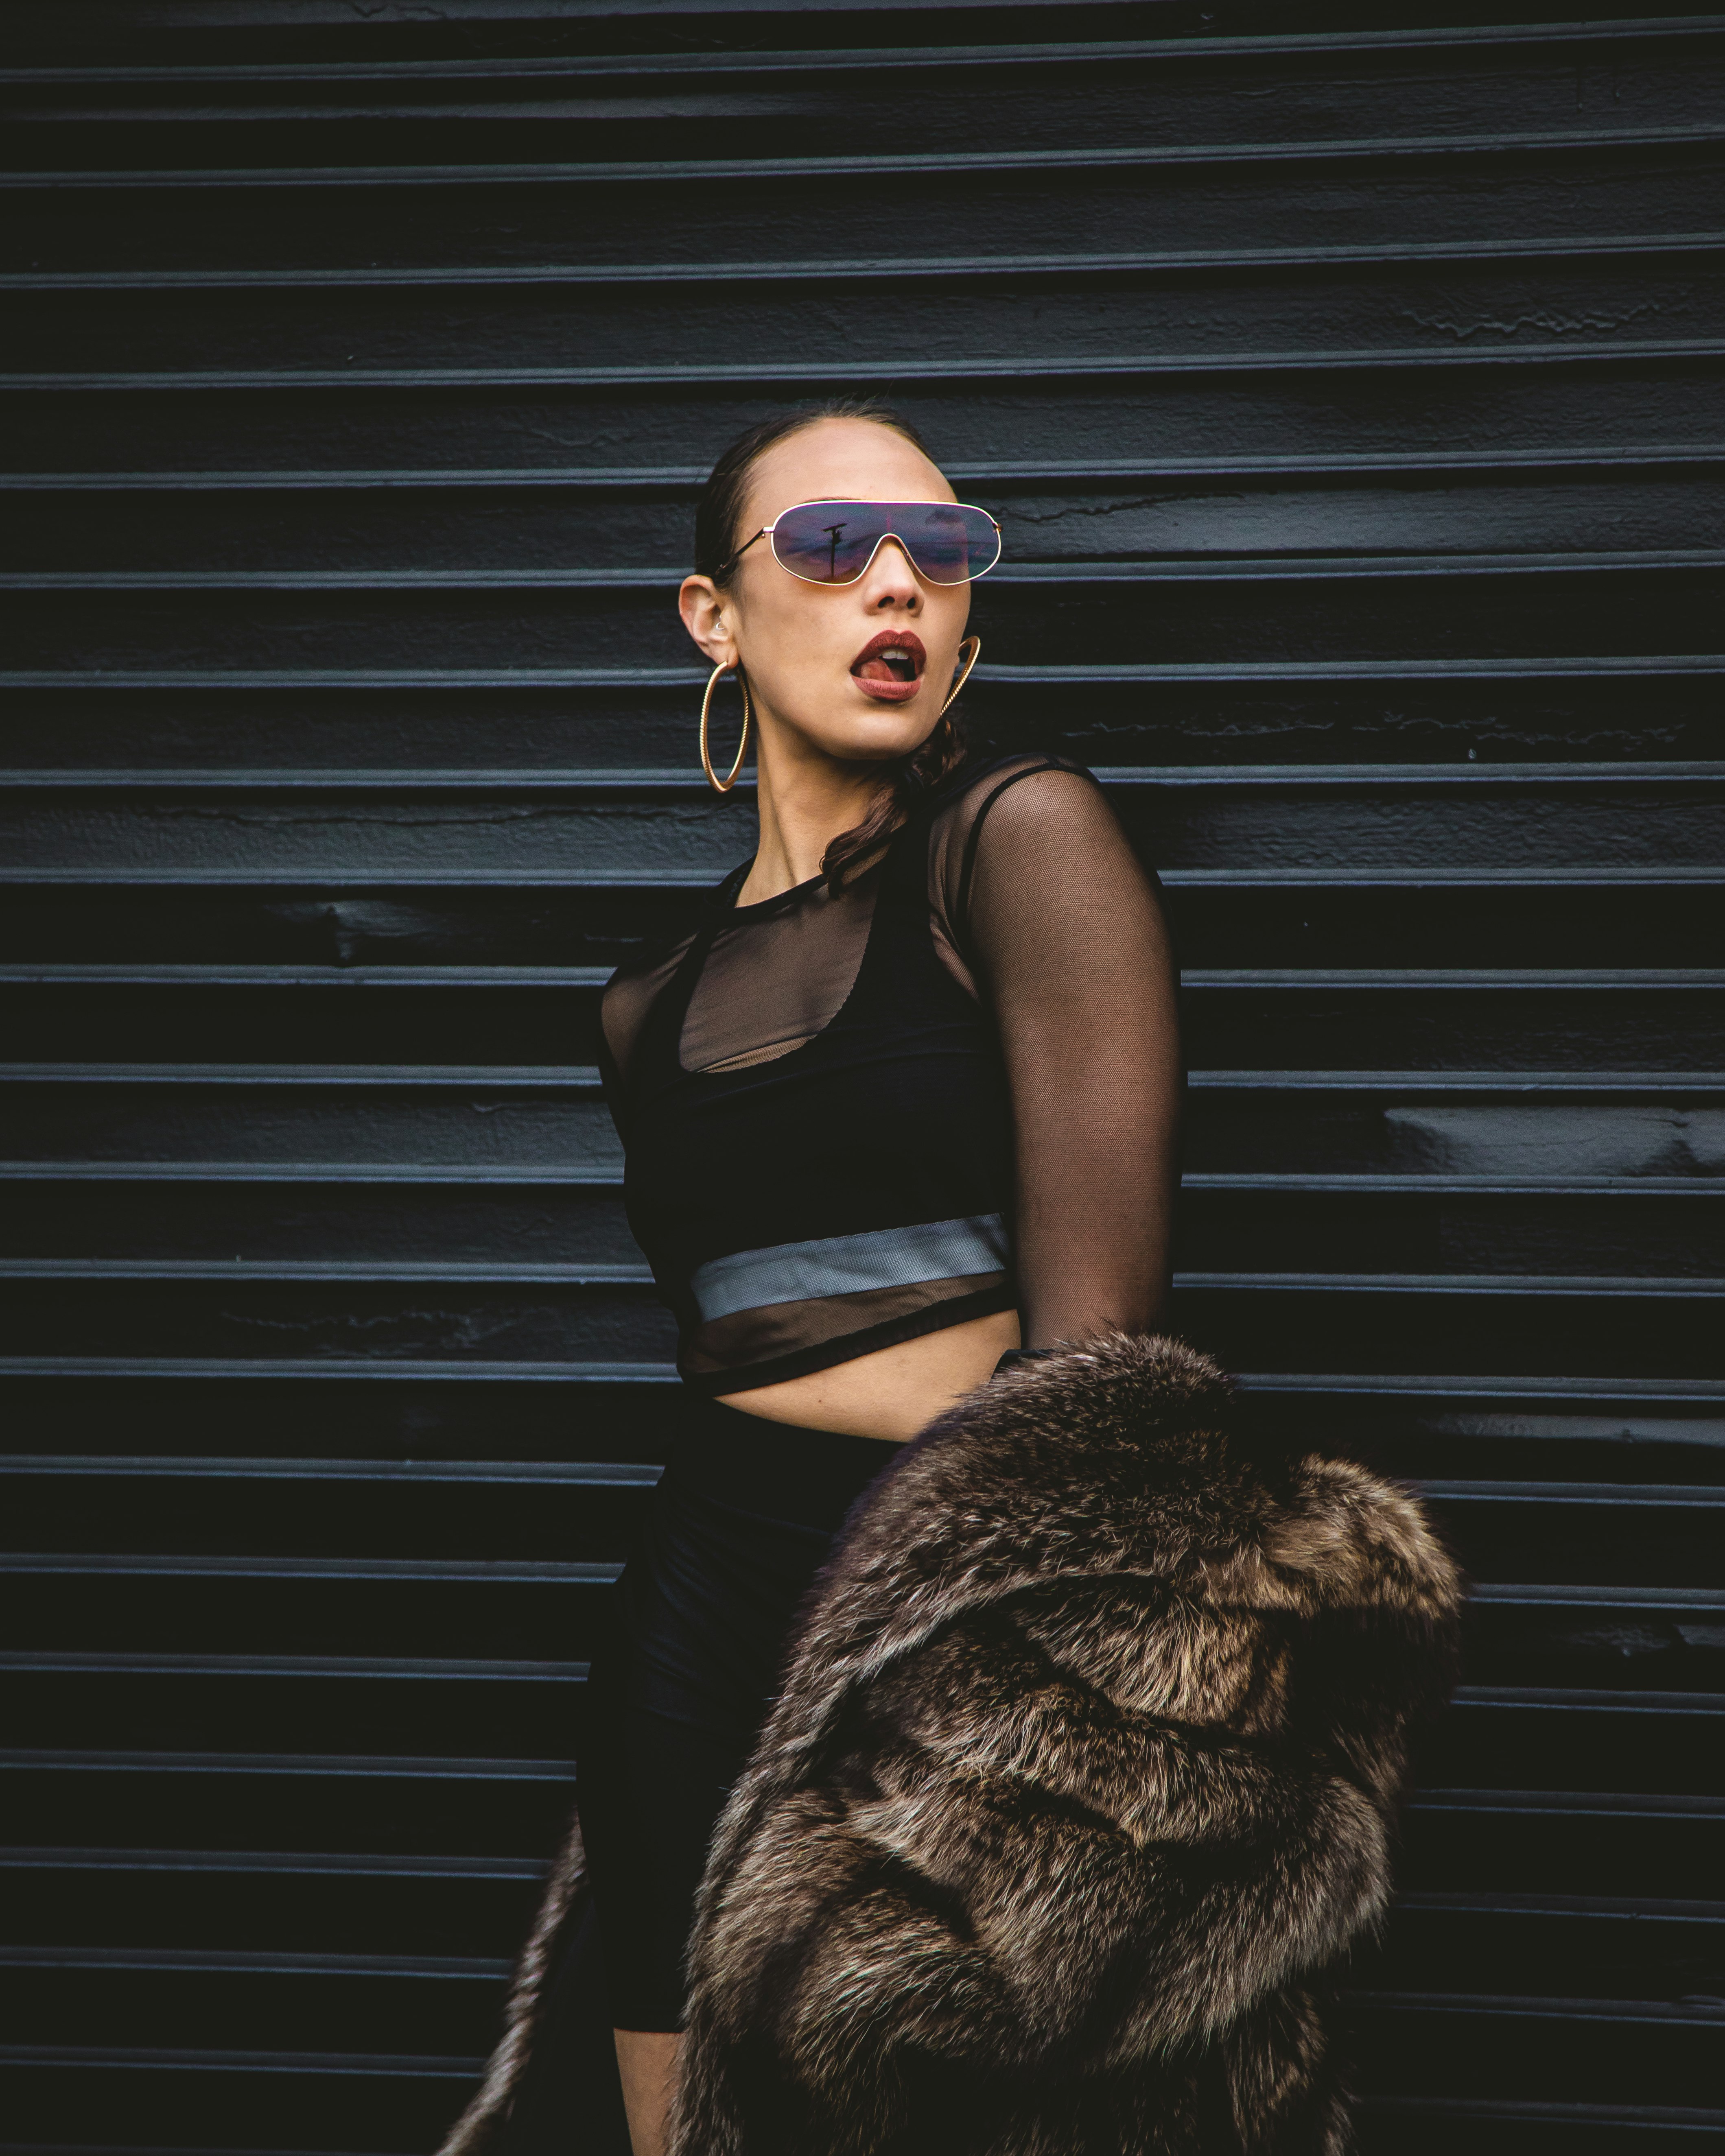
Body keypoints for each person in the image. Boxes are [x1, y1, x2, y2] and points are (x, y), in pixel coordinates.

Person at [442, 398, 1183, 2156]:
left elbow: (1101, 1368)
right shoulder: (647, 1001)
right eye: (835, 545)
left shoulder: (1017, 839)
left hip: (956, 1594)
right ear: (714, 610)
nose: (897, 584)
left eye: (941, 551)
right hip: (701, 1602)